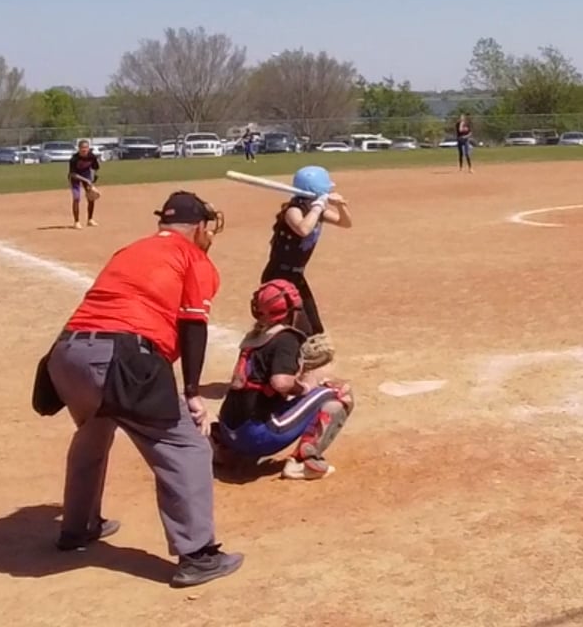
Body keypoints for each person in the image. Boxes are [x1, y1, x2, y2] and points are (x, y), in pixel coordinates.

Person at [37, 191, 243, 587]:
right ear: (199, 227)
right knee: (186, 447)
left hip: (65, 354)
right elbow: (193, 324)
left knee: (94, 430)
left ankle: (77, 528)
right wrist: (193, 392)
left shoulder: (130, 250)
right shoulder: (192, 257)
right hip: (120, 356)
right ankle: (198, 556)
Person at [210, 279, 354, 481]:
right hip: (256, 436)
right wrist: (304, 388)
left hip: (229, 431)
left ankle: (226, 451)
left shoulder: (253, 338)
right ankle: (304, 463)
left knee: (264, 397)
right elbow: (281, 383)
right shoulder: (286, 338)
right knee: (340, 393)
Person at [259, 165, 352, 336]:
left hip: (296, 276)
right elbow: (303, 229)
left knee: (314, 328)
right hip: (278, 275)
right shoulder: (294, 210)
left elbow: (345, 223)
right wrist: (318, 206)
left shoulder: (316, 210)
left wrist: (340, 206)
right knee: (289, 327)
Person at [68, 139, 101, 229]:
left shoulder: (92, 156)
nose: (84, 149)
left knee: (91, 197)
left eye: (86, 147)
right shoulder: (74, 159)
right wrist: (86, 180)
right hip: (75, 177)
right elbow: (73, 174)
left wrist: (92, 178)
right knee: (76, 198)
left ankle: (90, 220)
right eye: (82, 148)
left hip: (86, 174)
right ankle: (76, 222)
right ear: (79, 148)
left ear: (88, 148)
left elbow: (95, 168)